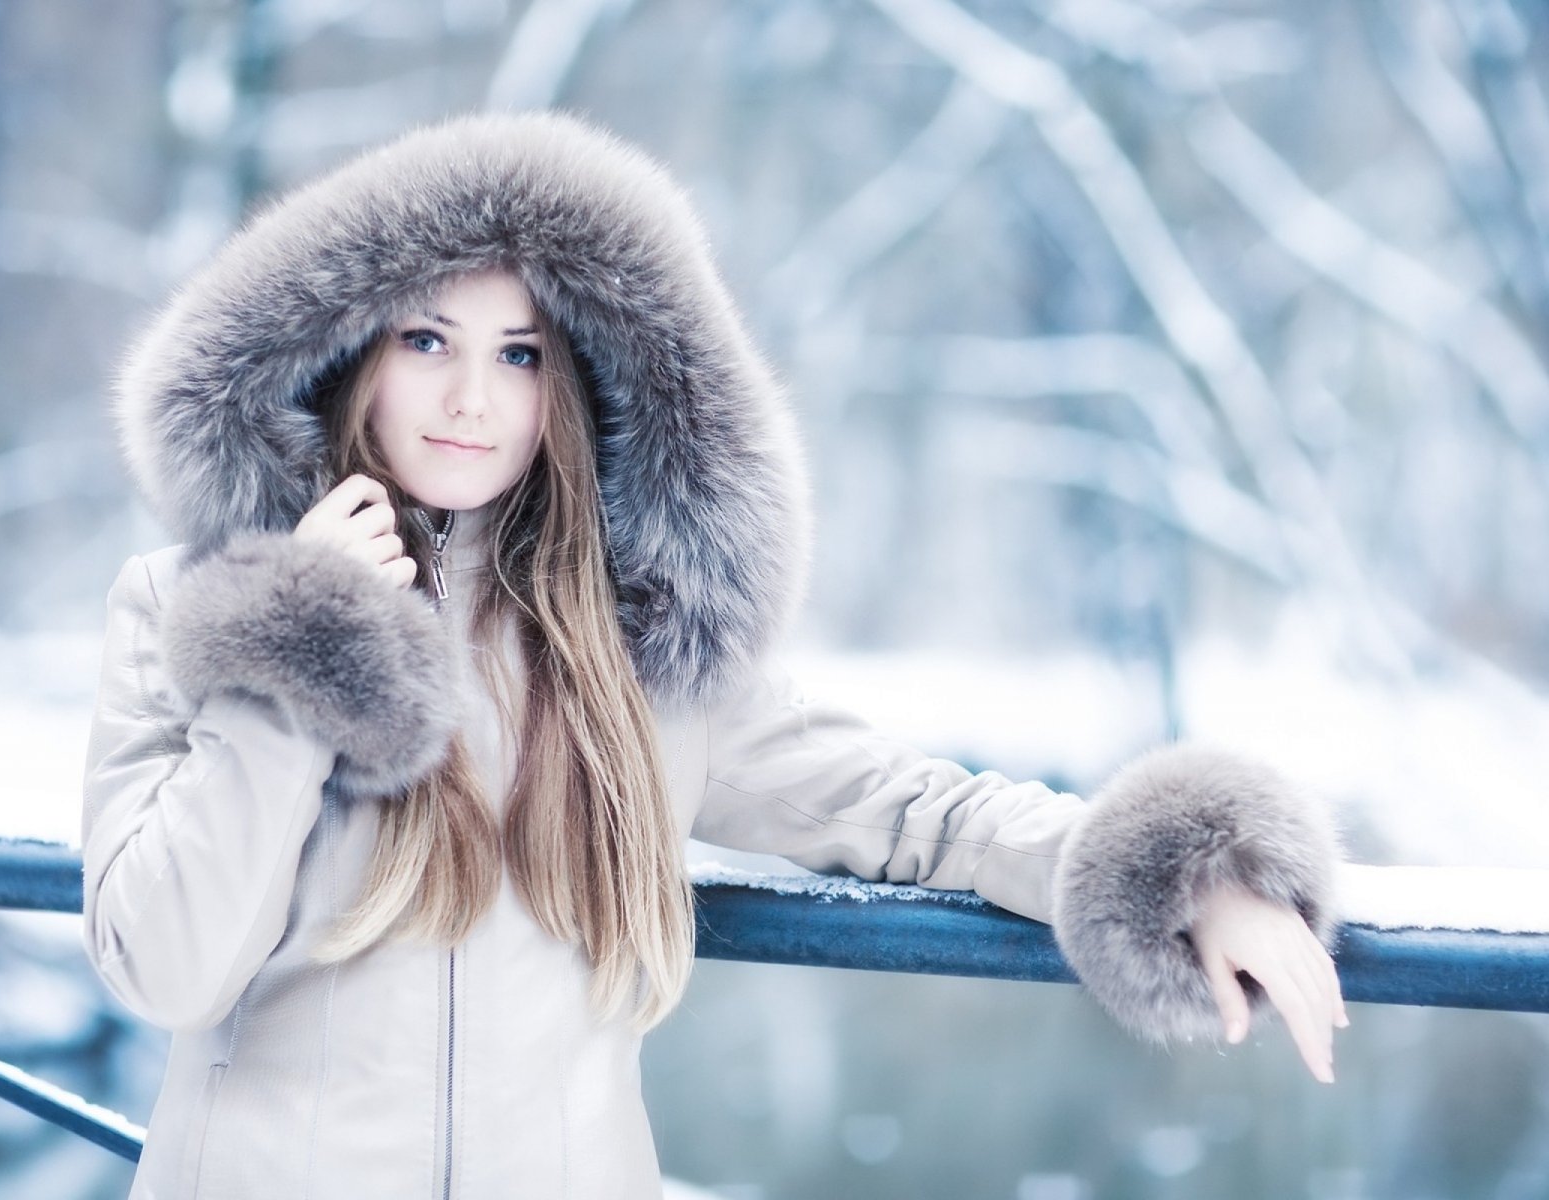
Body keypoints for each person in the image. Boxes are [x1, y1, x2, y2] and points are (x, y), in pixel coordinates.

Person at [82, 111, 1345, 1199]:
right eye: (426, 340)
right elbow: (167, 963)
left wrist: (1186, 876)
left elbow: (913, 811)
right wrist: (303, 649)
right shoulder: (184, 610)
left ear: (570, 388)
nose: (472, 398)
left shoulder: (636, 651)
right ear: (345, 353)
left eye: (518, 354)